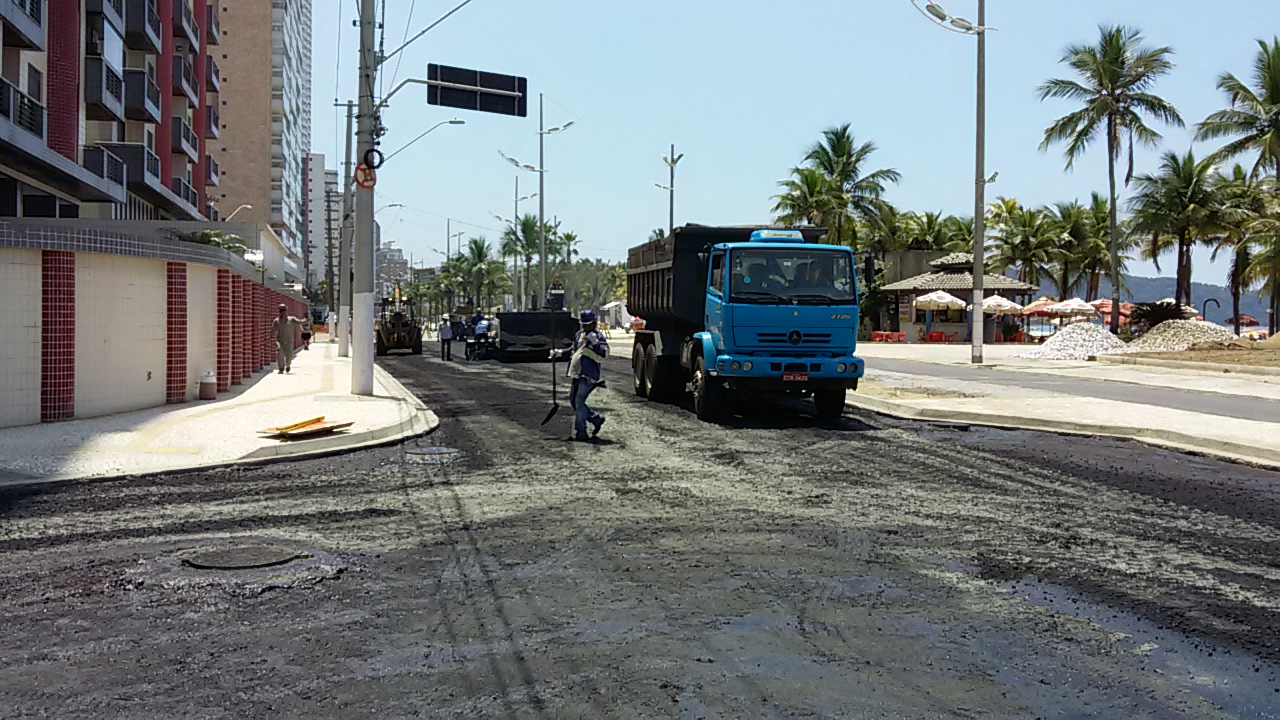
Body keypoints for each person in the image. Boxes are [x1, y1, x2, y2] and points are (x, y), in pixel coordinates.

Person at [550, 309, 609, 441]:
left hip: (588, 375)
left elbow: (605, 352)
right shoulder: (579, 335)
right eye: (584, 324)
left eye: (588, 324)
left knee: (579, 401)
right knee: (573, 401)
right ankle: (596, 419)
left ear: (594, 323)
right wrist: (560, 352)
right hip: (576, 373)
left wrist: (596, 343)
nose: (586, 327)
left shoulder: (598, 336)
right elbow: (574, 349)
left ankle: (581, 432)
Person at [270, 304, 302, 373]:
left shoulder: (291, 319)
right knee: (279, 353)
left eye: (284, 310)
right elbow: (273, 330)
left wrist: (307, 320)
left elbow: (299, 322)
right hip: (280, 341)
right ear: (279, 311)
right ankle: (281, 368)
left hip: (289, 341)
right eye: (281, 310)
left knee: (289, 355)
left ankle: (288, 365)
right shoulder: (277, 320)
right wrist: (269, 337)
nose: (283, 311)